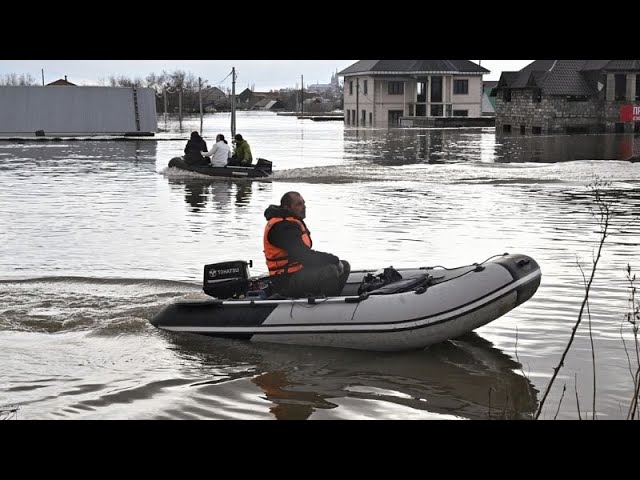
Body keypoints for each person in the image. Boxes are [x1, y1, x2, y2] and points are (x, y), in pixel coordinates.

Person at [263, 191, 350, 298]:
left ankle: (326, 297)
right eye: (299, 204)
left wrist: (334, 261)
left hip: (297, 271)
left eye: (303, 203)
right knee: (330, 270)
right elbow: (304, 256)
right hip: (284, 279)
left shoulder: (290, 221)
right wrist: (333, 259)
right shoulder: (282, 228)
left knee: (344, 265)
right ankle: (330, 304)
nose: (304, 207)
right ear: (287, 207)